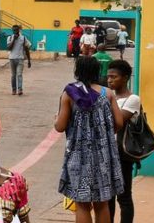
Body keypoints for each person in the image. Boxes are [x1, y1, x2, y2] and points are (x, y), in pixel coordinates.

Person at [55, 56, 125, 223]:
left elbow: (60, 126)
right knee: (102, 203)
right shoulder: (106, 93)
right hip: (104, 156)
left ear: (77, 72)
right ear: (97, 72)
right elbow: (120, 122)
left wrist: (55, 119)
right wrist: (105, 133)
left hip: (79, 156)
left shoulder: (69, 93)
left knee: (82, 204)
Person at [106, 59, 139, 223]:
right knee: (109, 197)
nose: (110, 80)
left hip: (122, 154)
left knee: (124, 196)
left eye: (114, 77)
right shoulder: (107, 96)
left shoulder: (133, 99)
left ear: (125, 78)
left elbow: (116, 122)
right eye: (108, 77)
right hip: (106, 153)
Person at [6, 25, 31, 96]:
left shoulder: (23, 38)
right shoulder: (10, 38)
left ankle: (20, 89)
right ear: (12, 31)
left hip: (20, 59)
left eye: (16, 30)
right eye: (14, 30)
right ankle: (14, 89)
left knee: (19, 74)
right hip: (12, 59)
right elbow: (8, 48)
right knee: (13, 75)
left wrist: (29, 60)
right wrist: (14, 39)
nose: (15, 32)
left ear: (19, 30)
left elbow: (27, 49)